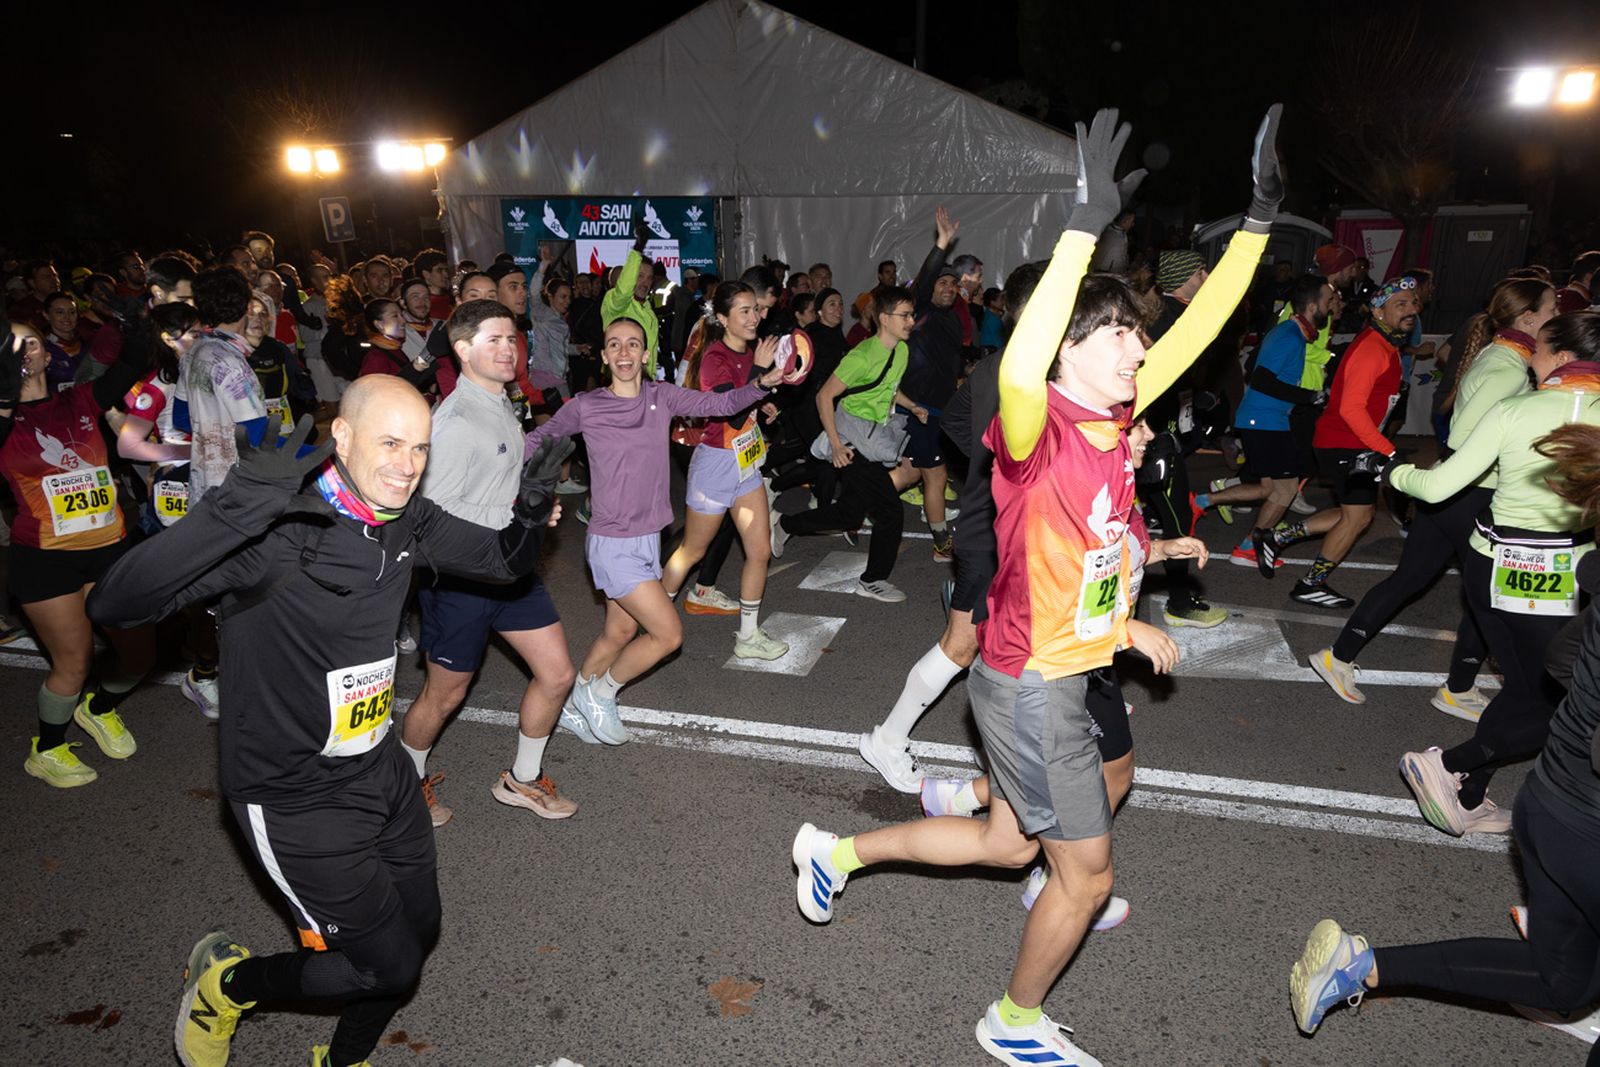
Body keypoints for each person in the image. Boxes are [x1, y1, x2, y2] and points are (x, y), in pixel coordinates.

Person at [794, 106, 1281, 1066]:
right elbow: (1022, 354)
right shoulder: (1035, 422)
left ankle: (832, 851)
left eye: (1140, 342)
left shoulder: (1118, 412)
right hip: (1032, 683)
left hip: (1046, 668)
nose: (1141, 352)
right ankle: (1012, 1020)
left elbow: (1202, 325)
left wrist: (1258, 222)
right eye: (1119, 341)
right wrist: (1078, 229)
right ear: (1069, 354)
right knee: (1085, 876)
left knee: (1008, 846)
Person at [86, 375, 568, 1067]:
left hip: (377, 767)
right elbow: (113, 604)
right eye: (391, 443)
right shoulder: (277, 532)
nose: (407, 464)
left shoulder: (408, 517)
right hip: (292, 795)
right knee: (389, 966)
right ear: (341, 436)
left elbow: (500, 563)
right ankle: (227, 985)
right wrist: (234, 508)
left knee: (419, 930)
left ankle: (342, 1059)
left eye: (421, 448)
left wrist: (529, 507)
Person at [1289, 413, 1600, 1050]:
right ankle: (1454, 768)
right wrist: (1391, 470)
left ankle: (1361, 964)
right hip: (1582, 822)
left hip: (1555, 802)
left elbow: (1564, 663)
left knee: (1564, 986)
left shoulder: (1533, 407)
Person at [1381, 312, 1600, 836]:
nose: (1532, 359)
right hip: (1563, 574)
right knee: (1570, 704)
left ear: (1564, 358)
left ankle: (1470, 794)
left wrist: (1393, 471)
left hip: (1493, 562)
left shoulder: (1516, 409)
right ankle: (1451, 764)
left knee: (1527, 687)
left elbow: (1435, 488)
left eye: (1541, 352)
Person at [523, 318, 784, 744]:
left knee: (619, 632)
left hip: (648, 539)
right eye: (614, 345)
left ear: (646, 355)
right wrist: (509, 482)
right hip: (611, 543)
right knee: (668, 635)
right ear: (605, 357)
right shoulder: (586, 405)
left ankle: (572, 706)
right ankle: (601, 694)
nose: (624, 353)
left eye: (633, 345)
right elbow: (539, 440)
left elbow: (718, 406)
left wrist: (763, 382)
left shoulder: (661, 397)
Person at [1309, 277, 1558, 717]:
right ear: (1528, 318)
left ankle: (1338, 657)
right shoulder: (1507, 367)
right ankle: (1457, 689)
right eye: (1552, 309)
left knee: (1411, 580)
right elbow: (1464, 436)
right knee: (1486, 598)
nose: (1557, 317)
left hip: (1454, 493)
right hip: (1469, 494)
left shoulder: (1501, 355)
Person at [399, 299, 579, 827]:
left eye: (511, 339)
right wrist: (518, 512)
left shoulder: (501, 400)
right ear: (462, 350)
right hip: (459, 581)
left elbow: (496, 482)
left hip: (510, 567)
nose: (507, 349)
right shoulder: (452, 421)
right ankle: (407, 785)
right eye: (493, 341)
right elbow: (429, 517)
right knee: (445, 694)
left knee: (557, 673)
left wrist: (534, 504)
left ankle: (522, 781)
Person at [1, 319, 158, 788]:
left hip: (110, 548)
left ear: (48, 354)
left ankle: (99, 709)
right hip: (46, 559)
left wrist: (137, 318)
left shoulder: (81, 399)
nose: (21, 350)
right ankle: (46, 749)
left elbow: (132, 361)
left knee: (139, 655)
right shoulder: (3, 416)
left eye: (29, 341)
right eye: (8, 345)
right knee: (74, 662)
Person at [1255, 275, 1423, 608]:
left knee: (1356, 513)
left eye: (1413, 304)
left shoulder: (1385, 345)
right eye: (1399, 305)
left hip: (1348, 441)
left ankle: (1276, 536)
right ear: (1377, 312)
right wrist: (1386, 449)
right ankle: (1310, 583)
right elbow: (1350, 409)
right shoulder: (1372, 348)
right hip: (1345, 442)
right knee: (1358, 517)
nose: (1410, 310)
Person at [659, 282, 791, 661]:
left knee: (760, 550)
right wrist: (761, 377)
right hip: (715, 464)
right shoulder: (714, 357)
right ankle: (656, 619)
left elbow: (745, 402)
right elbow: (728, 410)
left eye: (756, 310)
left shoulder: (748, 351)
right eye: (745, 311)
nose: (755, 318)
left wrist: (762, 404)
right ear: (722, 318)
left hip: (745, 463)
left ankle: (748, 637)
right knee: (692, 551)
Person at [771, 285, 924, 602]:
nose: (911, 321)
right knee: (890, 511)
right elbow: (824, 395)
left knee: (849, 514)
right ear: (884, 318)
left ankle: (786, 523)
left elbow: (889, 388)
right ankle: (872, 580)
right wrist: (838, 446)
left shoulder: (901, 350)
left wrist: (911, 405)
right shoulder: (862, 355)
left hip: (873, 436)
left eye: (912, 314)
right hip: (854, 441)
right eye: (905, 315)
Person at [171, 267, 273, 720]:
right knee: (245, 589)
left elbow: (177, 413)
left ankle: (211, 673)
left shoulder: (193, 352)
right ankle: (222, 677)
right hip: (236, 491)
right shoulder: (231, 361)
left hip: (203, 487)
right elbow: (256, 431)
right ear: (245, 304)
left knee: (215, 590)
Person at [1209, 275, 1337, 567]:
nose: (1331, 308)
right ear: (1313, 304)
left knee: (1272, 488)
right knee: (1285, 490)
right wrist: (1311, 396)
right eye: (1328, 302)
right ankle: (1248, 548)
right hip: (1265, 421)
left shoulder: (1294, 334)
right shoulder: (1289, 336)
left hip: (1269, 419)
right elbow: (1261, 379)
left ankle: (1203, 502)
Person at [1137, 249, 1228, 627]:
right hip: (1153, 438)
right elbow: (1150, 375)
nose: (1206, 276)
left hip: (1160, 433)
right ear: (1186, 276)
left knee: (1145, 516)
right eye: (1201, 270)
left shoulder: (1170, 312)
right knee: (1177, 519)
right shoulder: (1168, 317)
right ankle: (1179, 603)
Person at [897, 205, 967, 561]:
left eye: (954, 283)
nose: (949, 288)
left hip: (939, 407)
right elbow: (924, 281)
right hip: (917, 408)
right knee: (935, 475)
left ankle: (858, 502)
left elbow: (951, 360)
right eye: (943, 282)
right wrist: (941, 245)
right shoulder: (919, 311)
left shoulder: (953, 320)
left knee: (909, 473)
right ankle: (942, 544)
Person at [601, 222, 660, 378]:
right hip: (621, 382)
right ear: (630, 275)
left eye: (649, 278)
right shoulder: (615, 302)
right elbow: (624, 291)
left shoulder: (647, 307)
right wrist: (638, 249)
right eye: (639, 276)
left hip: (645, 382)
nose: (645, 282)